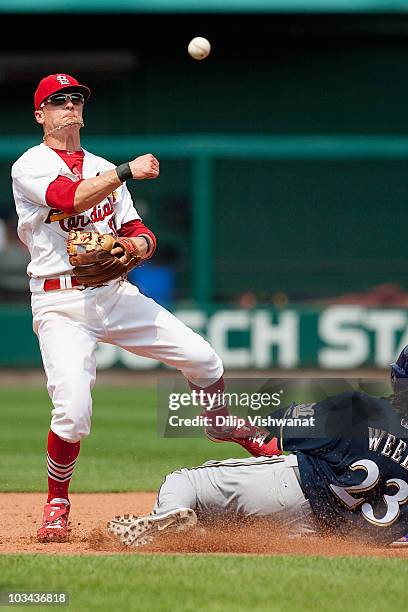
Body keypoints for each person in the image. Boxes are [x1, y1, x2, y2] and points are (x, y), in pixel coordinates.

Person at [11, 73, 279, 543]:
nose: (69, 106)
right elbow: (69, 198)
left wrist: (132, 247)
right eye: (57, 101)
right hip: (59, 302)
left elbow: (140, 231)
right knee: (72, 412)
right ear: (40, 114)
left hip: (114, 294)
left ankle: (219, 425)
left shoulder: (100, 165)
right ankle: (57, 502)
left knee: (204, 359)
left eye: (75, 99)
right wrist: (126, 170)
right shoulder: (29, 165)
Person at [108, 349, 408, 548]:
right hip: (329, 534)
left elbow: (272, 442)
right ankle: (193, 533)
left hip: (292, 491)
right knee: (226, 525)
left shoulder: (360, 408)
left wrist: (238, 431)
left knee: (184, 480)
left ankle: (170, 519)